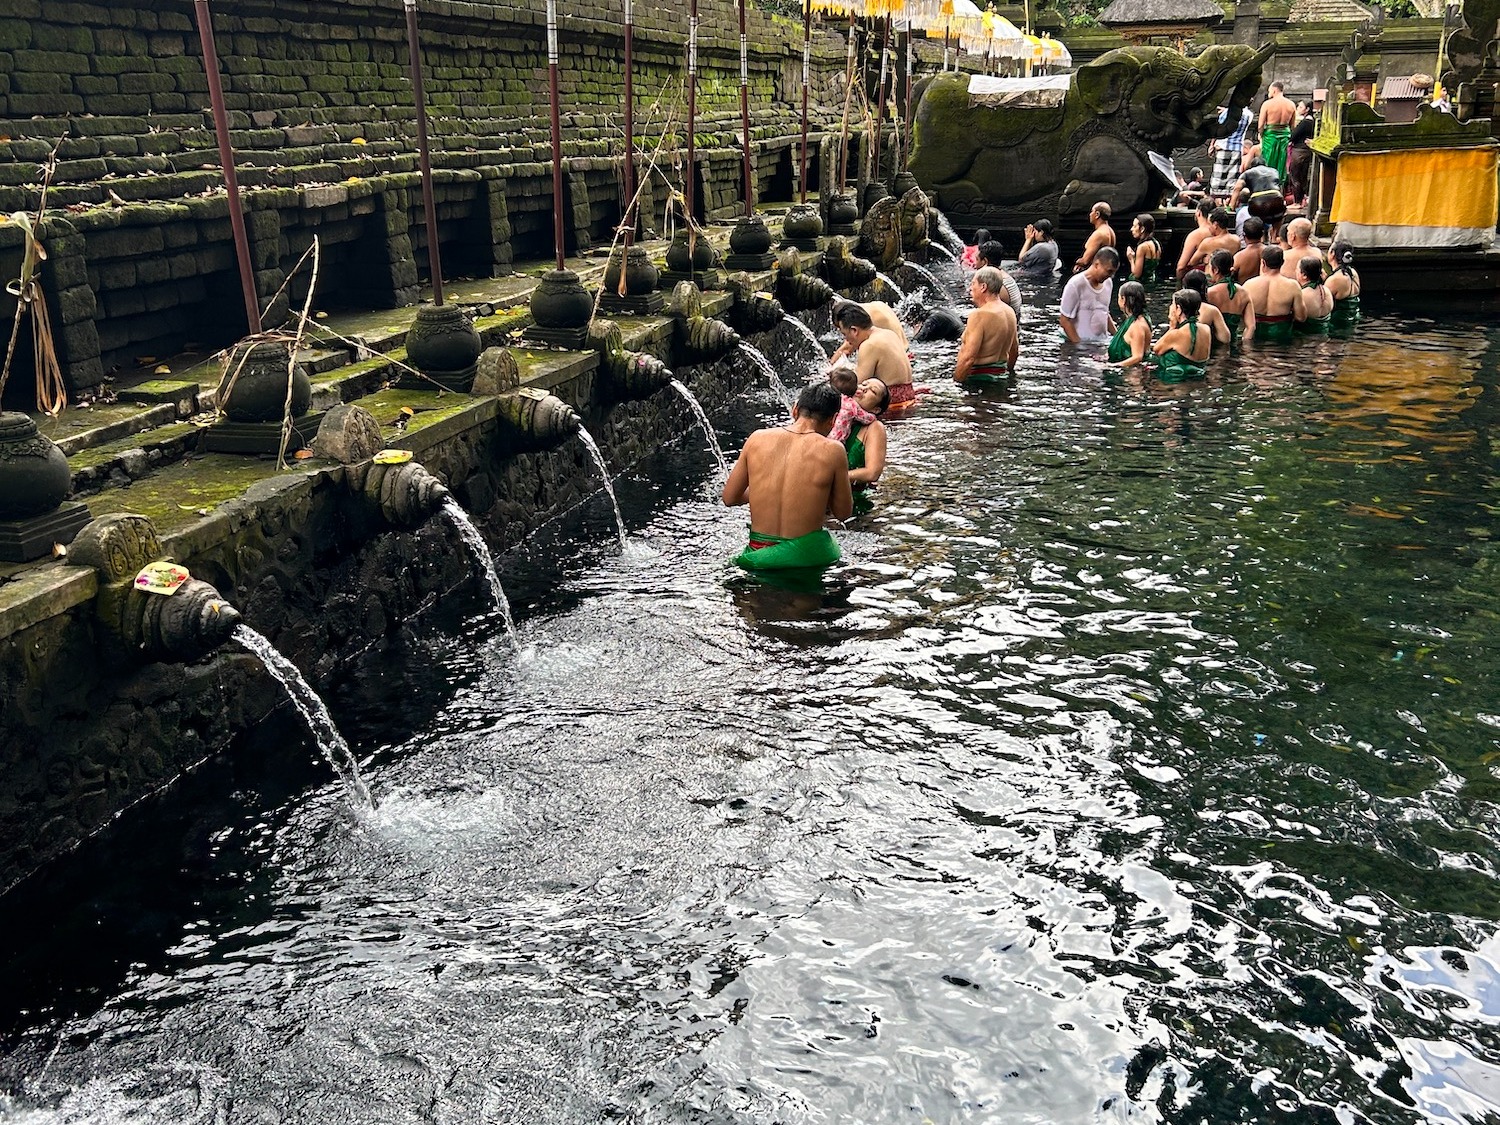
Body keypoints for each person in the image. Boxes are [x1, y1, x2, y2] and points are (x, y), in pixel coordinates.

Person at [723, 381, 852, 571]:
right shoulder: (833, 450)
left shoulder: (757, 438)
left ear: (795, 409)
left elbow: (729, 498)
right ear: (833, 421)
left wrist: (764, 489)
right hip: (803, 560)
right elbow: (843, 513)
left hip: (757, 555)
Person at [831, 301, 915, 409]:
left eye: (844, 334)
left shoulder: (869, 345)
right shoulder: (888, 333)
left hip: (890, 404)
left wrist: (833, 375)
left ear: (854, 330)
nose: (846, 340)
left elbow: (855, 384)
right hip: (908, 396)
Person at [954, 266, 1020, 384]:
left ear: (983, 287)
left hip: (978, 380)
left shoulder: (979, 315)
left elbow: (968, 358)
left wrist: (956, 384)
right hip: (1001, 378)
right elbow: (1014, 351)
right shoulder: (1010, 312)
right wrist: (1007, 375)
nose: (970, 288)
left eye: (973, 283)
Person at [845, 377, 889, 513]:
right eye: (864, 384)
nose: (864, 388)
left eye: (873, 391)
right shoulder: (834, 412)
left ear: (876, 409)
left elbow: (872, 473)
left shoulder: (874, 428)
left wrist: (836, 477)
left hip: (854, 499)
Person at [1242, 244, 1301, 343]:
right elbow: (1301, 317)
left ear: (1263, 263)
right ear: (1282, 263)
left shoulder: (1248, 285)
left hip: (1255, 336)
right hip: (1281, 337)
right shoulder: (1293, 286)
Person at [1059, 246, 1118, 343]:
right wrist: (1079, 346)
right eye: (1109, 271)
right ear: (1097, 264)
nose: (1111, 276)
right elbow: (1064, 320)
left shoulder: (1108, 283)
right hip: (1080, 344)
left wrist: (1117, 337)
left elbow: (1104, 313)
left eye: (1113, 272)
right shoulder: (1075, 284)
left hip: (1100, 342)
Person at [1152, 289, 1212, 380]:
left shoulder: (1176, 334)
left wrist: (1172, 327)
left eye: (1172, 304)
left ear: (1179, 309)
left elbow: (1156, 350)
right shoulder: (1206, 329)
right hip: (1199, 380)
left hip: (1174, 384)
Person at [1206, 249, 1255, 341]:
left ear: (1215, 270)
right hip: (1234, 345)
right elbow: (1251, 326)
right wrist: (1245, 345)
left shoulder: (1209, 293)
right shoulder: (1244, 293)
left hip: (1212, 344)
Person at [1211, 104, 1253, 203]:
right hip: (1237, 149)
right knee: (1232, 179)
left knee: (1218, 179)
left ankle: (1218, 203)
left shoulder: (1227, 113)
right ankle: (1228, 202)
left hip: (1223, 147)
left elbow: (1218, 129)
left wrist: (1212, 144)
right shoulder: (1249, 115)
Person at [826, 364, 877, 443]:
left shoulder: (829, 398)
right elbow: (866, 418)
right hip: (837, 440)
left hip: (824, 436)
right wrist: (874, 417)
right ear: (855, 389)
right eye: (863, 384)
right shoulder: (851, 404)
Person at [974, 240, 1024, 319]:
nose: (974, 265)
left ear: (985, 262)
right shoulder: (1003, 276)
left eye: (977, 260)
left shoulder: (997, 286)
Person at [1107, 280, 1151, 367]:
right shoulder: (1140, 318)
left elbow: (1137, 357)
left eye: (1119, 297)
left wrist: (1112, 366)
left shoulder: (1137, 326)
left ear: (1123, 299)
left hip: (1132, 374)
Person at [1181, 269, 1231, 347]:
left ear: (1184, 287)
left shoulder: (1177, 308)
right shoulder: (1211, 310)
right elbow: (1225, 338)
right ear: (1205, 287)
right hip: (1205, 350)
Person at [1258, 81, 1297, 180]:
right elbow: (1293, 126)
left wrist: (1261, 134)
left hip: (1270, 135)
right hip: (1285, 135)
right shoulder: (1291, 105)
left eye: (1269, 91)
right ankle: (1279, 186)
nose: (1269, 93)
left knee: (1268, 159)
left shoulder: (1267, 104)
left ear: (1274, 90)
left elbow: (1260, 125)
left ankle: (1267, 183)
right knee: (1282, 162)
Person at [1175, 200, 1215, 280]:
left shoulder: (1195, 235)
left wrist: (1179, 285)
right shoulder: (1219, 232)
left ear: (1198, 213)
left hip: (1197, 279)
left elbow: (1181, 267)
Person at [1325, 240, 1361, 327]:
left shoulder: (1334, 279)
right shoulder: (1353, 273)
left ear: (1332, 253)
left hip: (1338, 323)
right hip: (1353, 319)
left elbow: (1322, 304)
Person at [1286, 104, 1316, 205]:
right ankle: (1302, 200)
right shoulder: (1313, 122)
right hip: (1307, 151)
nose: (1298, 108)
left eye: (1301, 107)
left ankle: (1297, 202)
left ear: (1307, 109)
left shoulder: (1305, 122)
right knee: (1303, 176)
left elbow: (1293, 136)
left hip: (1299, 151)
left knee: (1295, 176)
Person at [1295, 256, 1333, 334]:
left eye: (1297, 269)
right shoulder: (1327, 290)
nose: (1295, 271)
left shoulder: (1301, 295)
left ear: (1304, 275)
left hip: (1305, 338)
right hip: (1324, 335)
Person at [1074, 202, 1116, 272]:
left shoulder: (1098, 234)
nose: (1090, 214)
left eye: (1091, 211)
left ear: (1097, 214)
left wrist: (1077, 262)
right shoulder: (1111, 231)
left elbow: (1085, 261)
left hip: (1095, 274)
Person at [1126, 213, 1164, 282]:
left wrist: (1131, 259)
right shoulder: (1156, 243)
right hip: (1152, 281)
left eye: (1134, 226)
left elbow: (1137, 275)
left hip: (1142, 284)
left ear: (1142, 229)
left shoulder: (1142, 247)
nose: (1131, 229)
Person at [1233, 216, 1266, 282]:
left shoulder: (1238, 257)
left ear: (1243, 235)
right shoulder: (1271, 253)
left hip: (1245, 290)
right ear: (1262, 234)